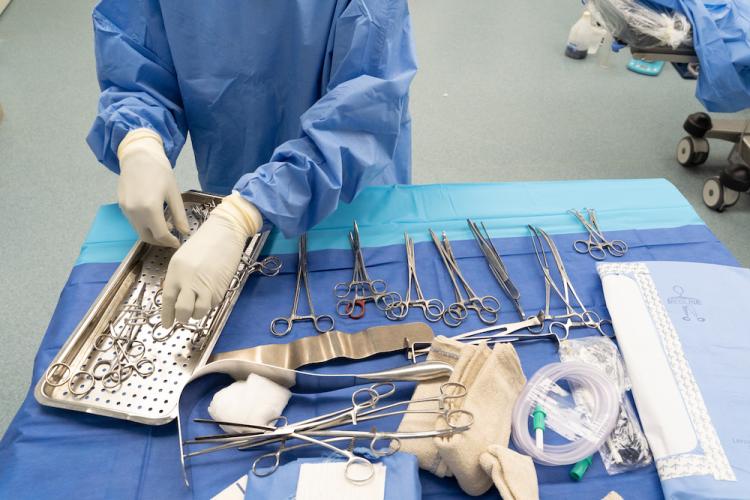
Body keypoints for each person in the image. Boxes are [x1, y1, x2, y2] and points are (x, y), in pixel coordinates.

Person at [87, 1, 417, 327]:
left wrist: (243, 213)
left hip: (348, 199)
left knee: (370, 320)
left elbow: (361, 114)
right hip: (231, 187)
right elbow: (136, 47)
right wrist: (139, 139)